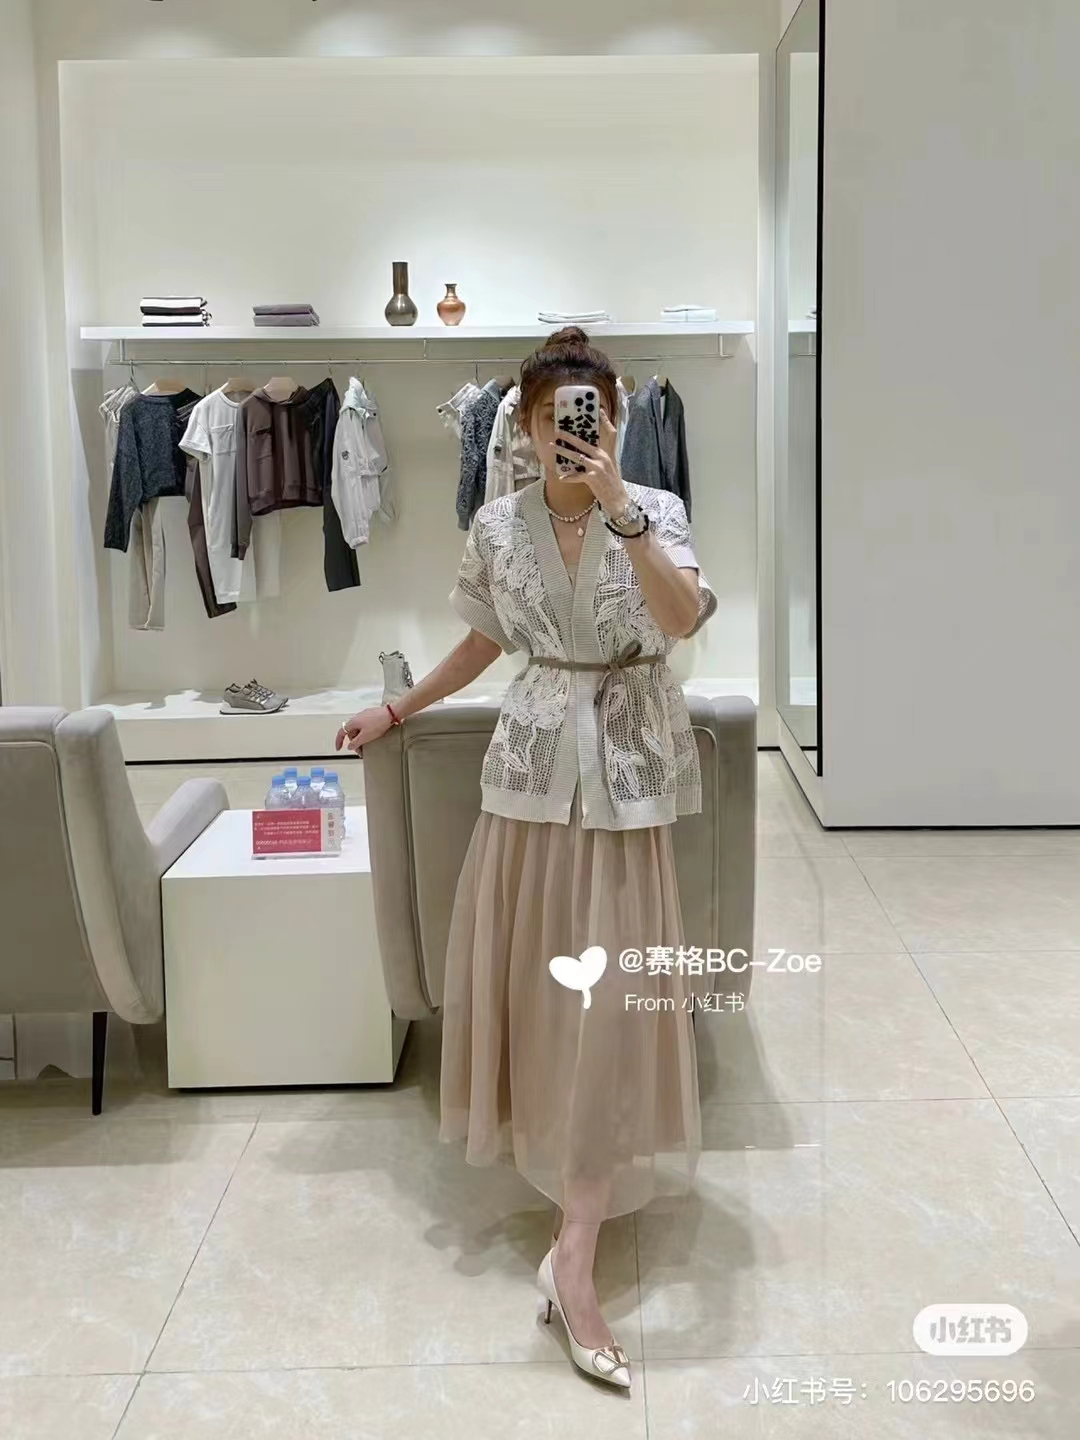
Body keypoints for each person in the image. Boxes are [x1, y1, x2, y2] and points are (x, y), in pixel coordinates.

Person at [336, 327, 717, 1389]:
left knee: (613, 1009)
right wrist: (397, 707)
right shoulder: (498, 524)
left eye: (587, 417)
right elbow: (482, 641)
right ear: (527, 423)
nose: (569, 435)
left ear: (616, 420)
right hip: (532, 778)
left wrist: (622, 508)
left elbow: (682, 620)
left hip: (627, 781)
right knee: (550, 1003)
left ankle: (576, 1254)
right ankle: (570, 1218)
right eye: (553, 419)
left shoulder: (658, 511)